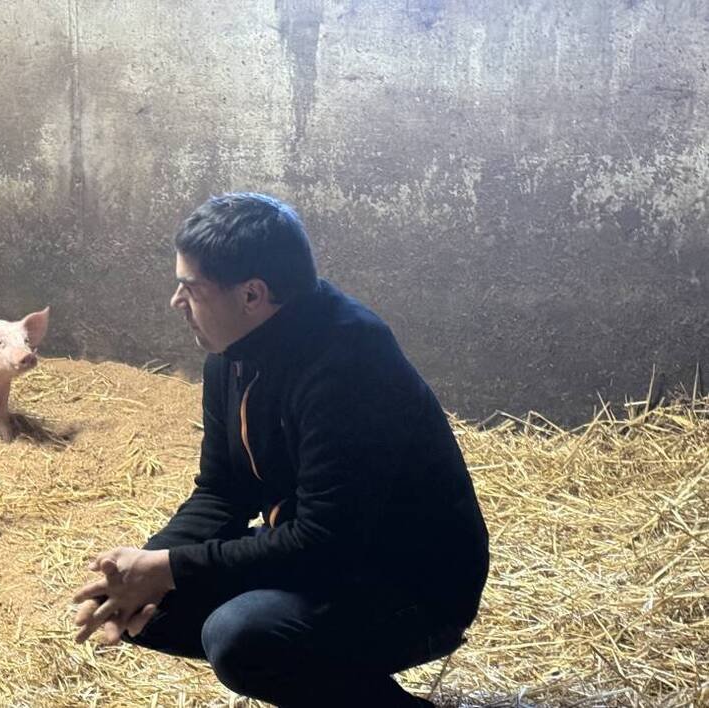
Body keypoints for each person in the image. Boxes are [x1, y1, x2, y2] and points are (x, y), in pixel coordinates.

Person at [72, 193, 489, 707]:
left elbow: (323, 541)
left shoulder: (350, 364)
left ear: (252, 295)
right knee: (152, 611)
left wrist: (171, 569)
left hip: (411, 587)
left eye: (190, 287)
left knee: (242, 636)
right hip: (327, 563)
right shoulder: (231, 356)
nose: (176, 302)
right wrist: (142, 570)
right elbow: (222, 489)